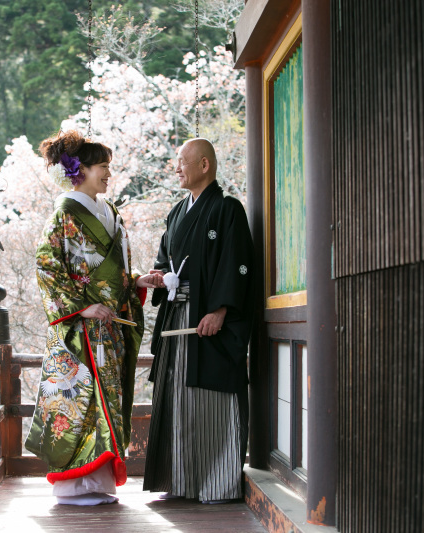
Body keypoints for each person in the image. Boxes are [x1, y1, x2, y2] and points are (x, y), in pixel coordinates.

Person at [25, 130, 163, 506]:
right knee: (81, 402)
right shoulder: (64, 214)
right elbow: (46, 268)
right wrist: (82, 307)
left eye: (108, 167)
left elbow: (114, 270)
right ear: (80, 170)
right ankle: (73, 485)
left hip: (109, 327)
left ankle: (98, 483)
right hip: (81, 327)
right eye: (103, 167)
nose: (108, 174)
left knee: (109, 400)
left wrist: (137, 280)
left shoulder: (109, 211)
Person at [143, 138, 254, 503]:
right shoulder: (177, 212)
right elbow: (164, 259)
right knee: (177, 397)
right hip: (178, 315)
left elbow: (238, 265)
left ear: (204, 165)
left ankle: (215, 482)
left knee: (206, 399)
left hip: (207, 319)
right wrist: (160, 277)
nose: (177, 168)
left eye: (182, 161)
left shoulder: (227, 210)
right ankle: (180, 480)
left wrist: (221, 310)